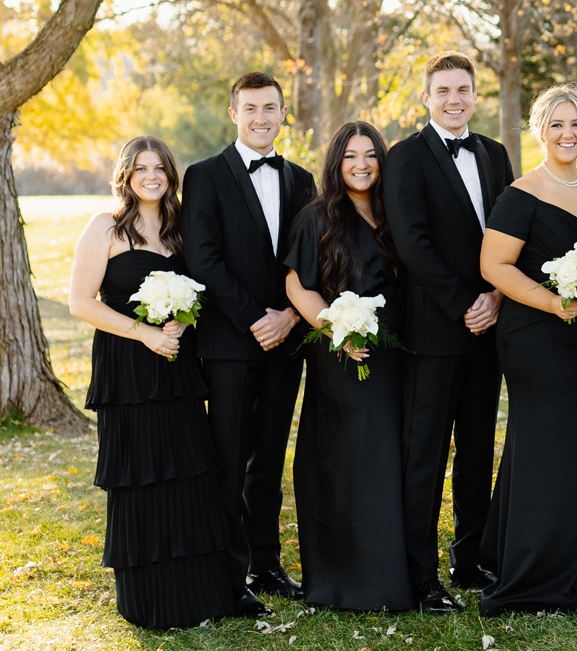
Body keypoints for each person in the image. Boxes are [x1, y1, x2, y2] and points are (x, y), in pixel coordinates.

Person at [69, 136, 239, 627]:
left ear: (170, 173)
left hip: (177, 367)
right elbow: (81, 302)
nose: (151, 175)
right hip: (127, 368)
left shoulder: (182, 229)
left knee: (187, 470)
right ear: (126, 174)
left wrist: (183, 321)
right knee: (141, 474)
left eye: (160, 167)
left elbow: (200, 288)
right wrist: (143, 334)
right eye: (141, 167)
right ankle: (149, 597)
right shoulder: (105, 227)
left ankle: (197, 593)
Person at [383, 52, 515, 614]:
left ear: (475, 95)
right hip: (434, 331)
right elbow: (412, 243)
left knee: (478, 447)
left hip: (491, 328)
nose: (454, 99)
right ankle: (419, 575)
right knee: (426, 455)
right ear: (426, 98)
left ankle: (470, 556)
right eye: (443, 91)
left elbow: (514, 231)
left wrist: (498, 297)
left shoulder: (495, 153)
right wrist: (466, 302)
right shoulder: (406, 158)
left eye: (463, 89)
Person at [476, 86, 577, 614]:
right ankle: (535, 570)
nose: (567, 134)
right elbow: (495, 266)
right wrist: (551, 302)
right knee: (544, 444)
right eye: (556, 124)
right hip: (535, 335)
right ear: (539, 130)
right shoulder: (521, 192)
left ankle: (576, 558)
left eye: (576, 123)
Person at [183, 72, 315, 610]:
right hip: (231, 343)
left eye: (271, 107)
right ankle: (227, 572)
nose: (262, 117)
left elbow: (312, 259)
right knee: (229, 459)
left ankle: (266, 565)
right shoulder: (205, 176)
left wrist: (288, 317)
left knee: (269, 460)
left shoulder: (303, 180)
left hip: (286, 341)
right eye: (252, 108)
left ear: (284, 113)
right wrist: (253, 318)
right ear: (233, 113)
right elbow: (203, 258)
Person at [283, 121, 414, 612]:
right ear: (336, 163)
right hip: (342, 353)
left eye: (371, 155)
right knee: (348, 456)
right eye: (350, 156)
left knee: (387, 457)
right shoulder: (319, 216)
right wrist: (336, 328)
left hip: (394, 354)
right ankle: (342, 578)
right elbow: (298, 286)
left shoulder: (393, 213)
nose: (362, 165)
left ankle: (387, 573)